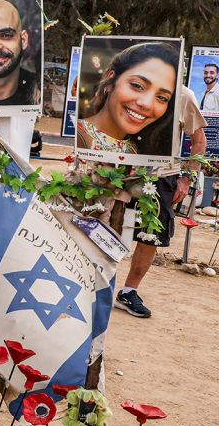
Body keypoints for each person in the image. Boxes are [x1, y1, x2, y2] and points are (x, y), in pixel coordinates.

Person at [118, 84, 206, 319]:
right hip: (116, 172)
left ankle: (129, 291)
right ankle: (94, 286)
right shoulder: (125, 82)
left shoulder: (184, 95)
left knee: (150, 236)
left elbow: (199, 141)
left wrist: (187, 177)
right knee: (104, 225)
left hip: (161, 176)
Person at [76, 42, 178, 156]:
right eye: (137, 85)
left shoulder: (143, 151)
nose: (147, 104)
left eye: (162, 97)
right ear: (111, 81)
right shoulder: (76, 137)